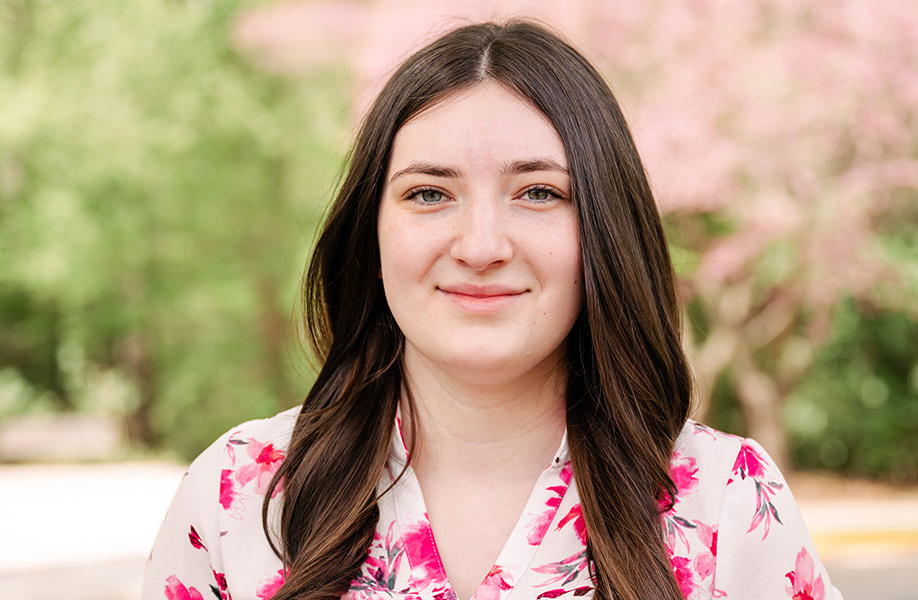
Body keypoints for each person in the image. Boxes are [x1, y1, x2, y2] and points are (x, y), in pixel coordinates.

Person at [142, 20, 843, 600]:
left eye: (539, 193)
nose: (481, 247)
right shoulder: (239, 496)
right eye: (428, 194)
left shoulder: (725, 502)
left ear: (604, 230)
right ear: (371, 235)